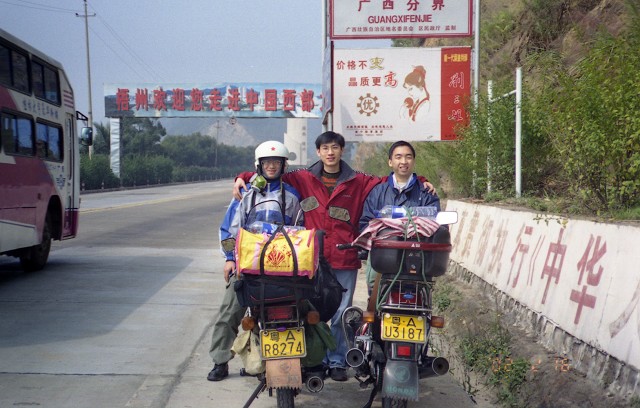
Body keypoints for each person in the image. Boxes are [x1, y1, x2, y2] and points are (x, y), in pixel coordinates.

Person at [233, 132, 435, 382]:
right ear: (318, 152)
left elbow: (393, 179)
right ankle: (313, 360)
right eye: (325, 148)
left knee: (341, 312)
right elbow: (272, 172)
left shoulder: (359, 181)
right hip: (309, 258)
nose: (330, 153)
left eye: (335, 148)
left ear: (342, 151)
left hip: (344, 256)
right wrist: (242, 177)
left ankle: (338, 361)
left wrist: (421, 180)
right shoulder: (302, 177)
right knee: (307, 310)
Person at [207, 140, 303, 382]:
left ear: (284, 165)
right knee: (229, 312)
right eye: (267, 162)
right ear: (259, 165)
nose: (272, 166)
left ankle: (304, 361)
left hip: (282, 265)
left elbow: (300, 229)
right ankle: (220, 360)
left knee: (304, 310)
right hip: (247, 264)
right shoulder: (245, 193)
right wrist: (230, 259)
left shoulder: (292, 196)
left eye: (277, 162)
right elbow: (229, 229)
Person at [359, 140, 441, 295]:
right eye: (398, 157)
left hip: (418, 262)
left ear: (414, 161)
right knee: (375, 305)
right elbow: (365, 223)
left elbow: (436, 225)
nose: (403, 161)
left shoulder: (426, 193)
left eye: (408, 157)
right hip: (383, 261)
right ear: (390, 162)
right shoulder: (378, 192)